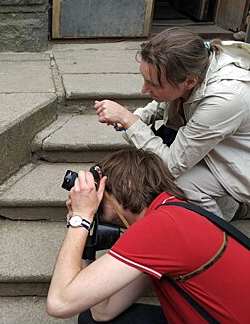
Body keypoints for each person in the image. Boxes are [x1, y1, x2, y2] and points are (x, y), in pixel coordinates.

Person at [46, 147, 250, 323]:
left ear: (127, 184)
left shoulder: (159, 228)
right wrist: (88, 236)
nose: (95, 199)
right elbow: (102, 312)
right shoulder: (173, 211)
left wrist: (80, 218)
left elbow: (59, 303)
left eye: (101, 190)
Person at [94, 27, 250, 221]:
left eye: (153, 84)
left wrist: (130, 121)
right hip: (219, 153)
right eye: (144, 79)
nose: (143, 89)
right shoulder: (195, 63)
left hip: (243, 166)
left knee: (179, 182)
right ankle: (234, 210)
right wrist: (140, 117)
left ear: (190, 81)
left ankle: (217, 237)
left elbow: (170, 166)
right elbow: (167, 101)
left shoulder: (226, 98)